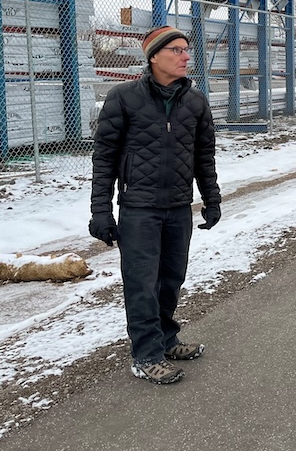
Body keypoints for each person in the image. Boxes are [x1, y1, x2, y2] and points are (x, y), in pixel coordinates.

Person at [89, 25, 221, 385]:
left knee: (171, 279)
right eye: (176, 50)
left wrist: (212, 199)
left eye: (186, 49)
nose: (185, 56)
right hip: (139, 209)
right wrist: (100, 210)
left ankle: (166, 339)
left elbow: (203, 157)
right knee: (141, 283)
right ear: (154, 57)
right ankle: (146, 354)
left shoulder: (195, 101)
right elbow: (104, 159)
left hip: (178, 207)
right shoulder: (124, 98)